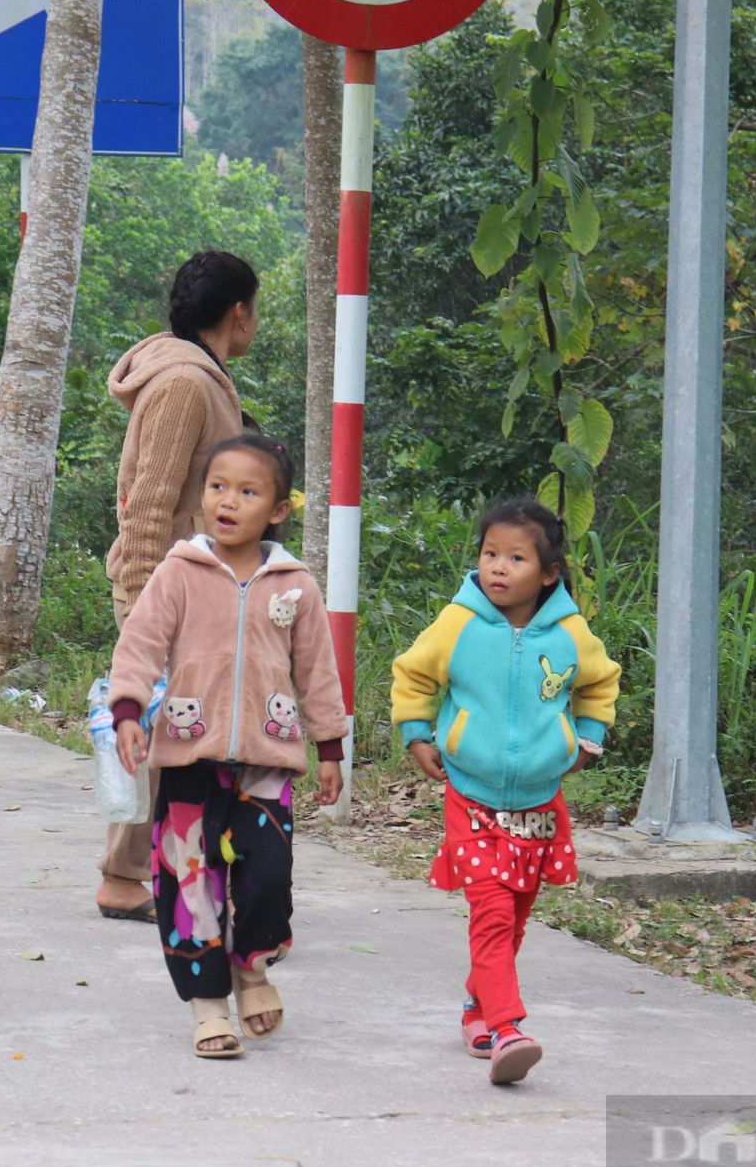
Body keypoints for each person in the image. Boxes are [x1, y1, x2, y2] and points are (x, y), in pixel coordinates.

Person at [107, 435, 346, 1058]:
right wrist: (129, 710)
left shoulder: (295, 586)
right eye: (218, 487)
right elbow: (139, 645)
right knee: (190, 883)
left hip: (267, 759)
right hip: (188, 756)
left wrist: (329, 747)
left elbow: (318, 670)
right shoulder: (178, 572)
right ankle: (209, 1006)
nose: (228, 501)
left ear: (278, 509)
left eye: (248, 491)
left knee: (268, 877)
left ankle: (251, 967)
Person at [391, 498, 620, 1085]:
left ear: (547, 573)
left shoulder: (570, 634)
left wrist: (585, 740)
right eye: (490, 553)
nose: (497, 567)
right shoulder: (458, 623)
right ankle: (508, 1028)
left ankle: (477, 1008)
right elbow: (415, 673)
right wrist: (417, 734)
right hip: (470, 796)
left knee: (516, 916)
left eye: (515, 558)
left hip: (540, 802)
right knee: (491, 909)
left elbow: (599, 684)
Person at [96, 251, 262, 924]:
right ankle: (130, 874)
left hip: (199, 588)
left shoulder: (201, 378)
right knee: (168, 740)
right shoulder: (186, 385)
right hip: (166, 592)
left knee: (180, 739)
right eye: (255, 311)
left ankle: (144, 871)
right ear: (236, 312)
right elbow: (148, 503)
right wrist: (142, 610)